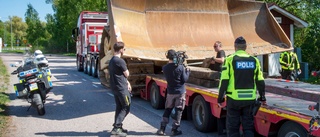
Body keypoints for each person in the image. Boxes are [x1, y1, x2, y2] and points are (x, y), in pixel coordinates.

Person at [217, 36, 266, 137]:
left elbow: (224, 80)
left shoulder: (229, 60)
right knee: (248, 127)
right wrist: (262, 96)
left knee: (233, 127)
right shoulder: (254, 60)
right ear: (245, 47)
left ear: (235, 47)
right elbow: (260, 80)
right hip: (250, 99)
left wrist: (220, 98)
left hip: (233, 99)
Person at [156, 49, 191, 136]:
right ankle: (174, 129)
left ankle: (162, 128)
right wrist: (187, 72)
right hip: (180, 92)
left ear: (167, 57)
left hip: (170, 92)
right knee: (178, 110)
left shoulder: (165, 68)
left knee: (168, 109)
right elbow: (184, 79)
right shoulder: (180, 67)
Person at [108, 42, 132, 137]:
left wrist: (128, 82)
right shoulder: (120, 61)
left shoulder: (111, 60)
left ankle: (118, 126)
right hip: (121, 88)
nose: (124, 51)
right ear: (121, 50)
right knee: (126, 106)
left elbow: (119, 75)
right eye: (124, 49)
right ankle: (116, 127)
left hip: (115, 87)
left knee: (119, 107)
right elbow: (127, 74)